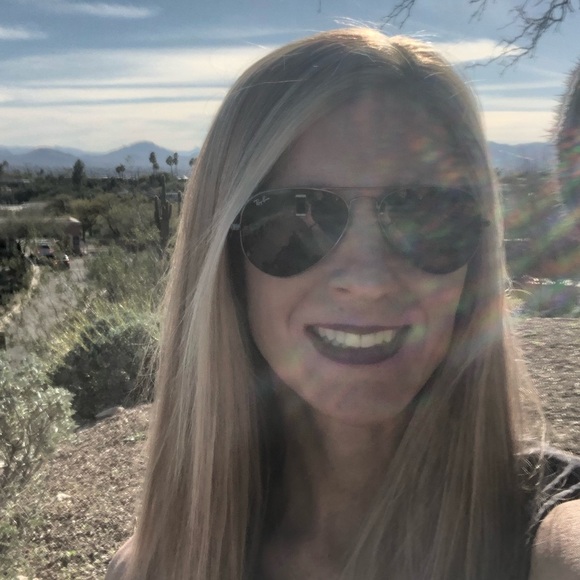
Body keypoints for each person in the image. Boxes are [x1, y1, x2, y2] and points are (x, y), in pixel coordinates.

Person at [106, 28, 580, 580]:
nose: (369, 281)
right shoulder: (151, 567)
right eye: (293, 217)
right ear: (225, 265)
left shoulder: (548, 541)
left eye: (426, 215)